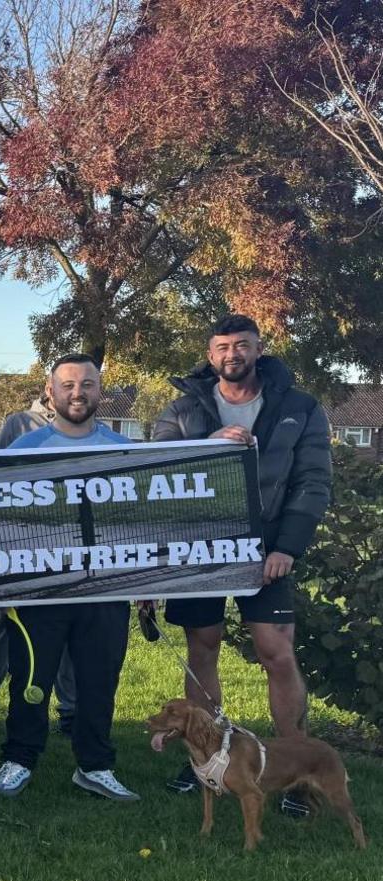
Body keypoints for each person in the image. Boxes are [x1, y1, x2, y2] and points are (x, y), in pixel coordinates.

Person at [151, 314, 331, 813]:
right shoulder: (183, 409)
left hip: (268, 548)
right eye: (223, 346)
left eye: (242, 345)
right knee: (202, 649)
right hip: (200, 548)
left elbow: (313, 481)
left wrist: (287, 546)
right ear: (210, 355)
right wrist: (204, 446)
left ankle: (297, 769)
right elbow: (152, 471)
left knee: (277, 653)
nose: (233, 354)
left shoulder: (299, 407)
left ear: (258, 348)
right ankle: (205, 758)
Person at [0, 355, 140, 801]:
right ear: (50, 391)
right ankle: (19, 759)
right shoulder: (24, 448)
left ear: (100, 391)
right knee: (30, 679)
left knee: (99, 681)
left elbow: (139, 518)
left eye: (87, 384)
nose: (78, 393)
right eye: (68, 384)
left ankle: (95, 765)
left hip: (105, 587)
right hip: (39, 587)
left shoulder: (123, 448)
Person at [0, 391, 74, 732]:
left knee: (65, 627)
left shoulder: (86, 427)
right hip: (18, 541)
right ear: (50, 387)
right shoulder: (18, 423)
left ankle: (70, 711)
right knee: (2, 625)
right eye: (64, 384)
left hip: (64, 540)